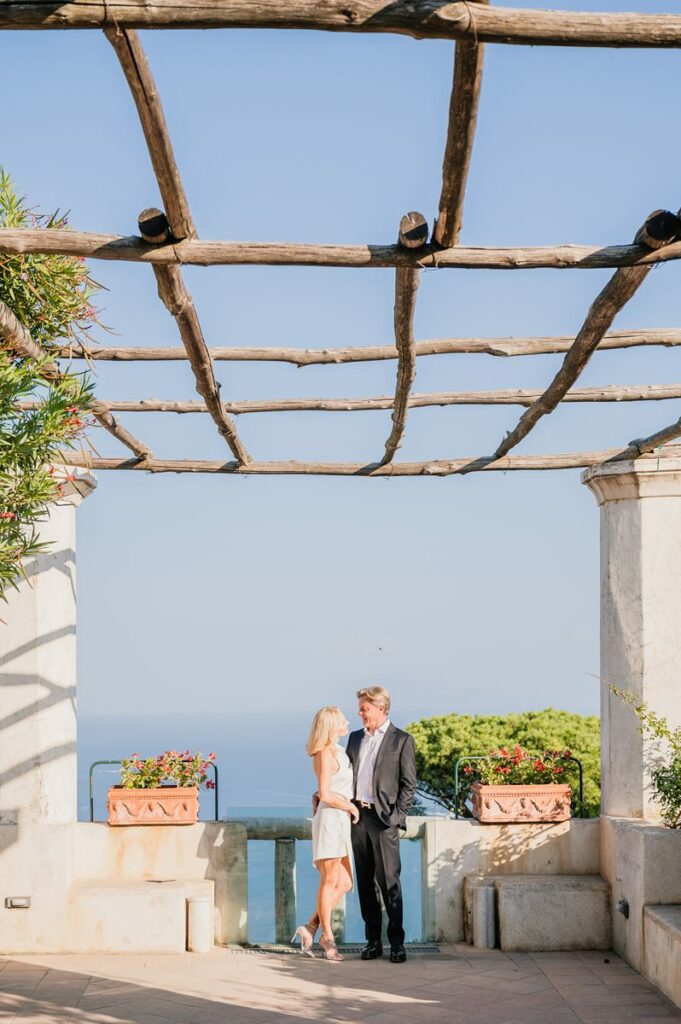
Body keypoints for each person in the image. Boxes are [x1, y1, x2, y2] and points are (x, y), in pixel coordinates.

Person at [305, 686, 417, 964]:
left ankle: (397, 944)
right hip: (354, 820)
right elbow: (337, 776)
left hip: (383, 821)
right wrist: (321, 793)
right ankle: (373, 942)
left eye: (364, 708)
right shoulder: (353, 739)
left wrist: (395, 818)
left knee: (389, 881)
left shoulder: (402, 740)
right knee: (365, 883)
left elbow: (409, 785)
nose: (359, 713)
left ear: (380, 708)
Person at [292, 706, 358, 962]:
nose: (347, 722)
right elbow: (327, 793)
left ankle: (310, 927)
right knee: (330, 880)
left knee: (345, 882)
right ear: (332, 726)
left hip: (340, 820)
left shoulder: (338, 751)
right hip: (331, 820)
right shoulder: (323, 753)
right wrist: (350, 805)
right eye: (343, 720)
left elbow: (327, 791)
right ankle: (327, 937)